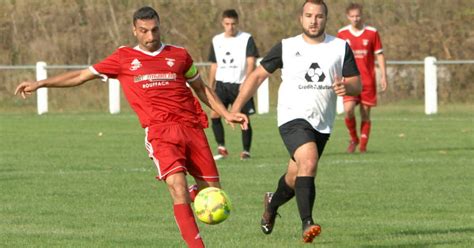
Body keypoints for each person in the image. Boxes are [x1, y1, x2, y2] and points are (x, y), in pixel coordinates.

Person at [14, 6, 248, 248]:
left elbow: (200, 88)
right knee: (176, 187)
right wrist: (41, 83)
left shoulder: (179, 55)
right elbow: (82, 76)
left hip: (191, 128)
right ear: (134, 30)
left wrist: (226, 113)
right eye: (144, 31)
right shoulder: (123, 58)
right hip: (160, 132)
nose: (150, 36)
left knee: (213, 194)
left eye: (155, 30)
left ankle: (191, 194)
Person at [230, 0, 361, 243]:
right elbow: (258, 75)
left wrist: (346, 86)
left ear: (325, 18)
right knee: (309, 161)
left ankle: (272, 203)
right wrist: (236, 108)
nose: (314, 20)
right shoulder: (287, 47)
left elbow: (357, 83)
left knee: (295, 176)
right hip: (292, 117)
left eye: (319, 16)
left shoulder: (340, 47)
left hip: (322, 123)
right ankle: (307, 224)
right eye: (309, 15)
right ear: (301, 18)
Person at [208, 9, 259, 160]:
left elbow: (251, 62)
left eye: (233, 24)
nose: (230, 27)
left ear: (237, 23)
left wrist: (247, 82)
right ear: (222, 24)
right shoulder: (217, 40)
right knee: (215, 114)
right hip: (222, 84)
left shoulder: (246, 38)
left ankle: (246, 151)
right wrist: (211, 86)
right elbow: (214, 65)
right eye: (227, 24)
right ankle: (221, 147)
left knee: (244, 118)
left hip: (240, 84)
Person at [337, 2, 388, 153]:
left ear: (362, 15)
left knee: (365, 113)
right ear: (348, 17)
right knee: (348, 110)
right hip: (349, 80)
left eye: (358, 16)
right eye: (352, 16)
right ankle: (354, 138)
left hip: (367, 80)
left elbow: (379, 54)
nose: (355, 19)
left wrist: (383, 76)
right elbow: (337, 57)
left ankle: (363, 145)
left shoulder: (372, 32)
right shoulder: (342, 34)